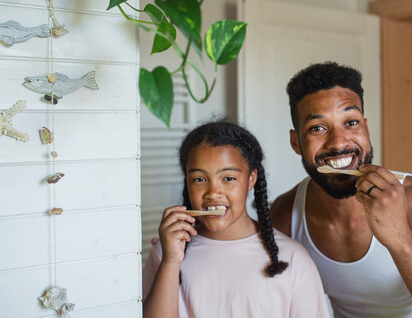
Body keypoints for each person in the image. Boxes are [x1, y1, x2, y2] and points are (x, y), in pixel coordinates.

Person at [270, 62, 412, 318]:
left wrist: (401, 238)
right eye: (318, 128)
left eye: (350, 122)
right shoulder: (286, 214)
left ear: (366, 128)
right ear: (296, 142)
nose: (339, 142)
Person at [142, 121, 331, 318]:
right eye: (199, 179)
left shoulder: (293, 259)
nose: (213, 193)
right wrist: (171, 262)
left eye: (228, 178)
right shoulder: (166, 254)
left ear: (251, 179)